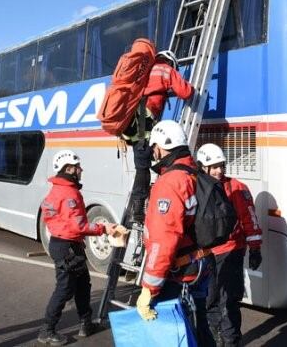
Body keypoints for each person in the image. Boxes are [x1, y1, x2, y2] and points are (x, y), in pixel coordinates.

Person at [135, 120, 215, 346]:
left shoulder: (170, 182)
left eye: (154, 148)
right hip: (201, 263)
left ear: (160, 147)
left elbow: (164, 240)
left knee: (177, 335)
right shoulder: (194, 173)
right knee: (201, 325)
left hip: (180, 273)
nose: (153, 153)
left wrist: (149, 290)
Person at [38, 149, 120, 346]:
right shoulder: (70, 193)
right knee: (65, 289)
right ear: (68, 169)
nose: (80, 170)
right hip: (67, 247)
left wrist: (64, 231)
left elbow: (48, 213)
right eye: (77, 167)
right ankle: (46, 330)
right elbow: (79, 226)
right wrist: (104, 228)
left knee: (83, 285)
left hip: (66, 244)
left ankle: (86, 324)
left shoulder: (56, 190)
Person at [197, 143, 262, 347]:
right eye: (214, 166)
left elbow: (250, 219)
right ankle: (216, 339)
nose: (219, 170)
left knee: (228, 301)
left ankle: (231, 342)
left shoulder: (237, 188)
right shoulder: (196, 187)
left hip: (231, 250)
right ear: (203, 167)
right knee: (209, 300)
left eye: (221, 165)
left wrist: (255, 249)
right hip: (205, 253)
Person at [123, 49, 194, 224]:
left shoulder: (145, 70)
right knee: (144, 166)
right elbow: (185, 92)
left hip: (133, 118)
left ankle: (139, 206)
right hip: (143, 117)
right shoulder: (165, 69)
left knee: (144, 163)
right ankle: (137, 210)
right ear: (170, 61)